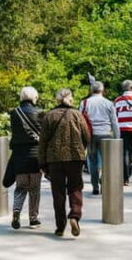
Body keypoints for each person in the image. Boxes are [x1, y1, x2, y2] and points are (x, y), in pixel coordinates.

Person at [39, 88, 90, 237]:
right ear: (70, 99)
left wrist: (42, 162)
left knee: (58, 192)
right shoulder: (77, 114)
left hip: (54, 159)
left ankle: (60, 226)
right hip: (75, 157)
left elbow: (43, 142)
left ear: (57, 99)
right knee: (75, 187)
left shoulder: (49, 116)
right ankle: (74, 215)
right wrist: (82, 148)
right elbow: (86, 136)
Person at [8, 86, 45, 229]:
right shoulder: (40, 112)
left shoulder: (14, 113)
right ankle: (33, 219)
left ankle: (16, 211)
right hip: (35, 156)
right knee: (35, 189)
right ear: (34, 97)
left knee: (20, 187)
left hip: (19, 156)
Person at [80, 81, 120, 194]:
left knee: (92, 161)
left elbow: (80, 121)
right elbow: (114, 122)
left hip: (91, 135)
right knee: (107, 162)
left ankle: (95, 186)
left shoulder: (85, 103)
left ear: (91, 90)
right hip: (106, 135)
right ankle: (105, 184)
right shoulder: (108, 103)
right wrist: (117, 138)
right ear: (102, 90)